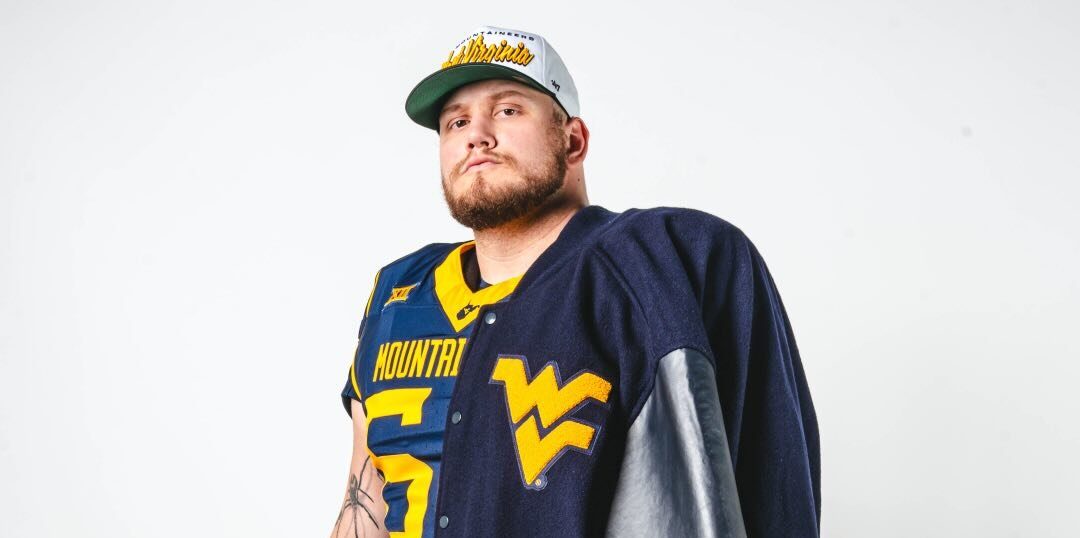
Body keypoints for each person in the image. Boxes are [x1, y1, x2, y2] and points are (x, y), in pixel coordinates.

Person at [331, 25, 820, 538]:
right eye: (456, 122)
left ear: (573, 139)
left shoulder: (657, 258)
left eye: (507, 110)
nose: (476, 133)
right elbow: (361, 499)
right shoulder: (397, 292)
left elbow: (769, 480)